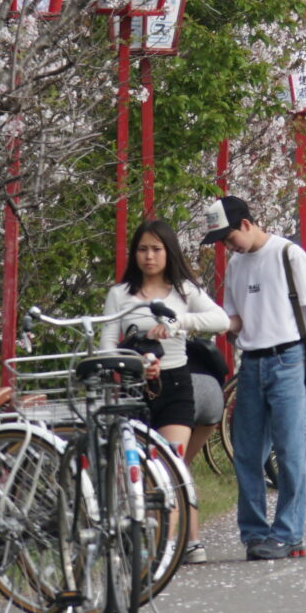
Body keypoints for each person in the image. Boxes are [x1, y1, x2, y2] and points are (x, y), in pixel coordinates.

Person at [200, 194, 306, 561]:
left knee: (289, 452)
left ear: (246, 223)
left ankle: (288, 533)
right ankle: (254, 532)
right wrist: (213, 323)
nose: (227, 245)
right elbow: (235, 317)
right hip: (251, 363)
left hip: (289, 359)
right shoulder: (237, 265)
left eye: (228, 236)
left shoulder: (288, 254)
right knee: (248, 453)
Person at [100, 218, 230, 562]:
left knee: (171, 465)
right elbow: (106, 347)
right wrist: (134, 362)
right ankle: (158, 542)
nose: (149, 256)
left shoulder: (183, 291)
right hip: (132, 391)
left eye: (156, 249)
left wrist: (178, 322)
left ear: (168, 252)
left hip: (175, 386)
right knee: (139, 470)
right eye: (142, 249)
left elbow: (220, 320)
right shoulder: (120, 295)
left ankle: (176, 545)